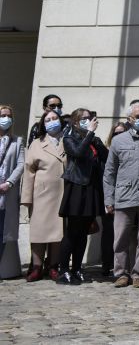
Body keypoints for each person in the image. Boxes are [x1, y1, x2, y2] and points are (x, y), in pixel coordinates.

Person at [103, 101, 139, 289]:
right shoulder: (119, 141)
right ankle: (121, 273)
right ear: (130, 119)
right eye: (138, 117)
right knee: (121, 237)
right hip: (124, 195)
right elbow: (109, 172)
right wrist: (108, 199)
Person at [57, 109, 107, 284]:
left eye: (90, 118)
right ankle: (63, 270)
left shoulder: (94, 139)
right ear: (76, 122)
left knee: (84, 231)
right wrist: (90, 133)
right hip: (77, 187)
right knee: (73, 231)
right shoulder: (69, 138)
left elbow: (105, 158)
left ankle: (77, 268)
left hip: (91, 188)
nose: (88, 121)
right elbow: (77, 153)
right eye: (84, 118)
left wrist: (95, 139)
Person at [22, 109, 66, 281]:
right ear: (43, 124)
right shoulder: (36, 144)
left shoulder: (67, 141)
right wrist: (26, 198)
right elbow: (28, 172)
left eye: (55, 118)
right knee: (39, 232)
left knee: (58, 233)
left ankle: (53, 266)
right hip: (41, 194)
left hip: (62, 194)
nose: (52, 121)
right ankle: (37, 266)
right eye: (48, 120)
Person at [100, 122, 128, 278]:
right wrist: (108, 200)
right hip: (110, 197)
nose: (119, 136)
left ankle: (120, 266)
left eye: (122, 133)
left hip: (125, 197)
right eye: (116, 133)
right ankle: (106, 265)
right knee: (109, 233)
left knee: (122, 234)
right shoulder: (107, 151)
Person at [0, 105, 25, 275]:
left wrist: (9, 183)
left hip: (6, 192)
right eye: (2, 115)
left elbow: (21, 164)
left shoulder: (17, 141)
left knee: (2, 233)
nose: (6, 119)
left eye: (9, 116)